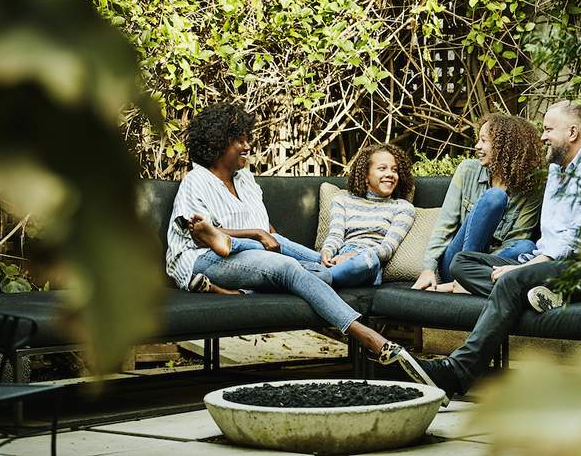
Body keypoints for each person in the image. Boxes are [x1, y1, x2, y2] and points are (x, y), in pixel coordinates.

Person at [164, 103, 428, 380]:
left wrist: (271, 240)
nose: (247, 146)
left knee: (312, 263)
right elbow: (196, 233)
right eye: (239, 140)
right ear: (218, 144)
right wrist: (258, 235)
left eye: (246, 138)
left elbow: (268, 231)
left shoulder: (245, 180)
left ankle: (236, 283)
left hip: (241, 255)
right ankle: (365, 334)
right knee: (287, 268)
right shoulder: (196, 180)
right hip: (202, 258)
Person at [403, 101, 581, 399]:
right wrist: (532, 262)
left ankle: (458, 371)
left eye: (548, 130)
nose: (542, 136)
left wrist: (526, 267)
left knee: (512, 281)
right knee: (463, 263)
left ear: (572, 132)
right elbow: (552, 235)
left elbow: (578, 239)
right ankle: (540, 298)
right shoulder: (558, 169)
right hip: (559, 264)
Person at [412, 113, 543, 293]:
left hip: (492, 265)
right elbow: (444, 225)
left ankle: (466, 283)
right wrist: (428, 268)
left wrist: (481, 267)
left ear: (505, 147)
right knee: (494, 197)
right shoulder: (468, 170)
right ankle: (463, 279)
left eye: (484, 140)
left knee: (527, 246)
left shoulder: (531, 187)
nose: (477, 146)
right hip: (456, 262)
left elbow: (517, 239)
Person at [312, 143, 416, 287]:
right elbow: (335, 236)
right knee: (280, 242)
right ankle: (318, 274)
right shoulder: (342, 200)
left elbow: (387, 249)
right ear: (366, 176)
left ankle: (308, 276)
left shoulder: (403, 207)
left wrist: (353, 255)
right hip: (338, 259)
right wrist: (327, 251)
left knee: (369, 259)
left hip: (366, 264)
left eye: (394, 170)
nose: (390, 174)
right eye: (382, 168)